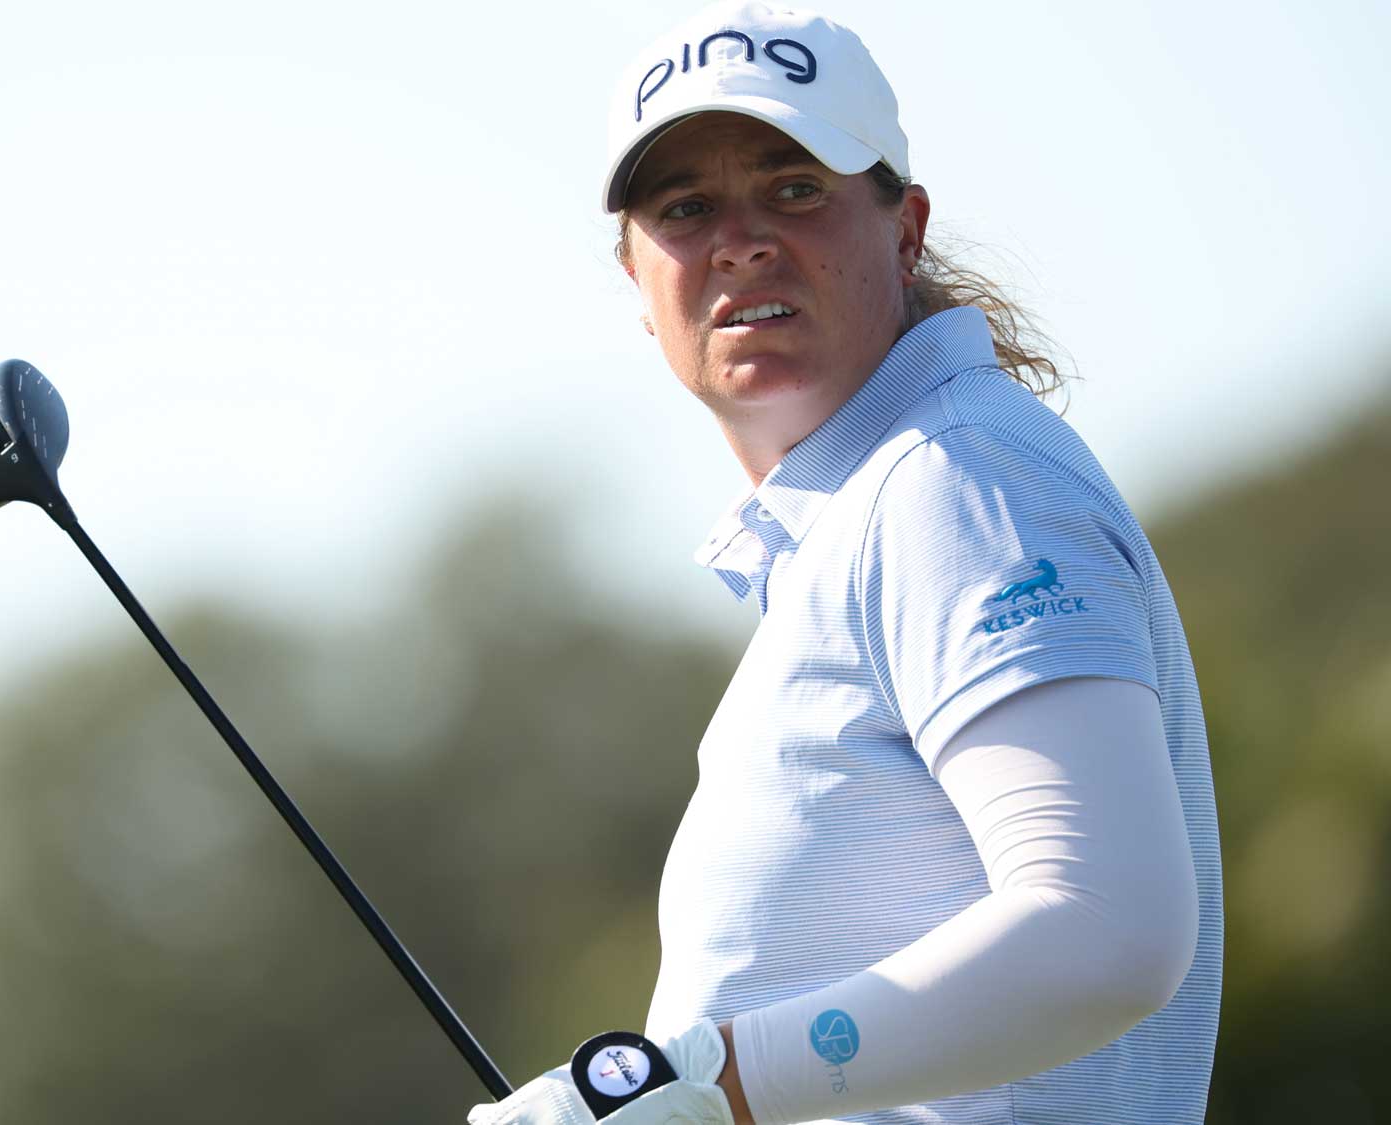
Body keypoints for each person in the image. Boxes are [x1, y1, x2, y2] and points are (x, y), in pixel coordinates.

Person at [467, 3, 1222, 1123]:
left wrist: (710, 1085)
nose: (739, 240)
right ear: (637, 284)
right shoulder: (897, 497)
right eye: (683, 209)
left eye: (793, 187)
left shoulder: (956, 480)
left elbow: (1103, 930)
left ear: (904, 226)